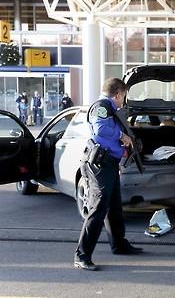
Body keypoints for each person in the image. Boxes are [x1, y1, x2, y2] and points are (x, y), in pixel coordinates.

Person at [74, 78, 143, 271]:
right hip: (99, 164)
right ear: (118, 94)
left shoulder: (109, 107)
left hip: (109, 163)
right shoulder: (102, 107)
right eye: (124, 96)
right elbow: (101, 129)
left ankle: (118, 244)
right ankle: (82, 255)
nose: (123, 101)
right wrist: (122, 136)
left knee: (114, 206)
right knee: (98, 209)